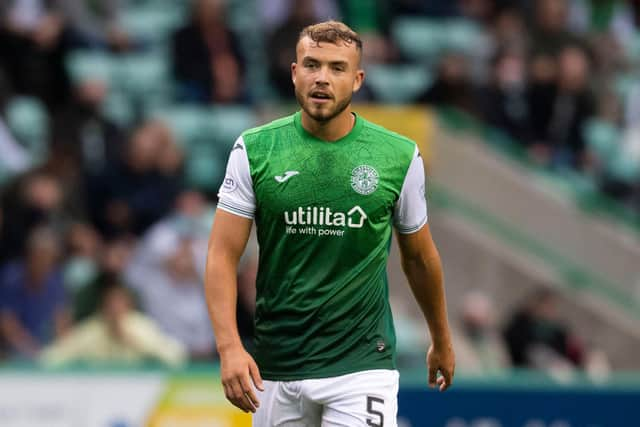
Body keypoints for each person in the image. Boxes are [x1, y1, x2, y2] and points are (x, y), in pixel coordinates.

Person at [205, 20, 455, 426]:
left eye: (337, 68)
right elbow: (221, 253)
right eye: (312, 65)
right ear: (294, 73)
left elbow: (420, 258)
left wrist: (441, 340)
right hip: (277, 365)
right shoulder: (254, 149)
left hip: (361, 363)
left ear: (357, 80)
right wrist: (229, 346)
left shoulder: (398, 156)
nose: (322, 78)